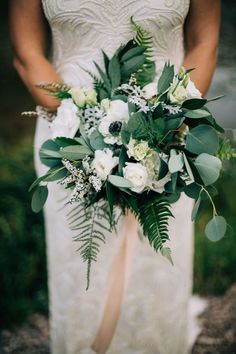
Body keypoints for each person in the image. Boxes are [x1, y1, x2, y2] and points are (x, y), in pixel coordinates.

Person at [9, 1, 221, 353]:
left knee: (158, 262)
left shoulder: (168, 131)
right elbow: (26, 51)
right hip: (67, 142)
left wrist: (164, 125)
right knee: (80, 271)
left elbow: (205, 41)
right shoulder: (71, 136)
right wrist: (84, 132)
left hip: (169, 137)